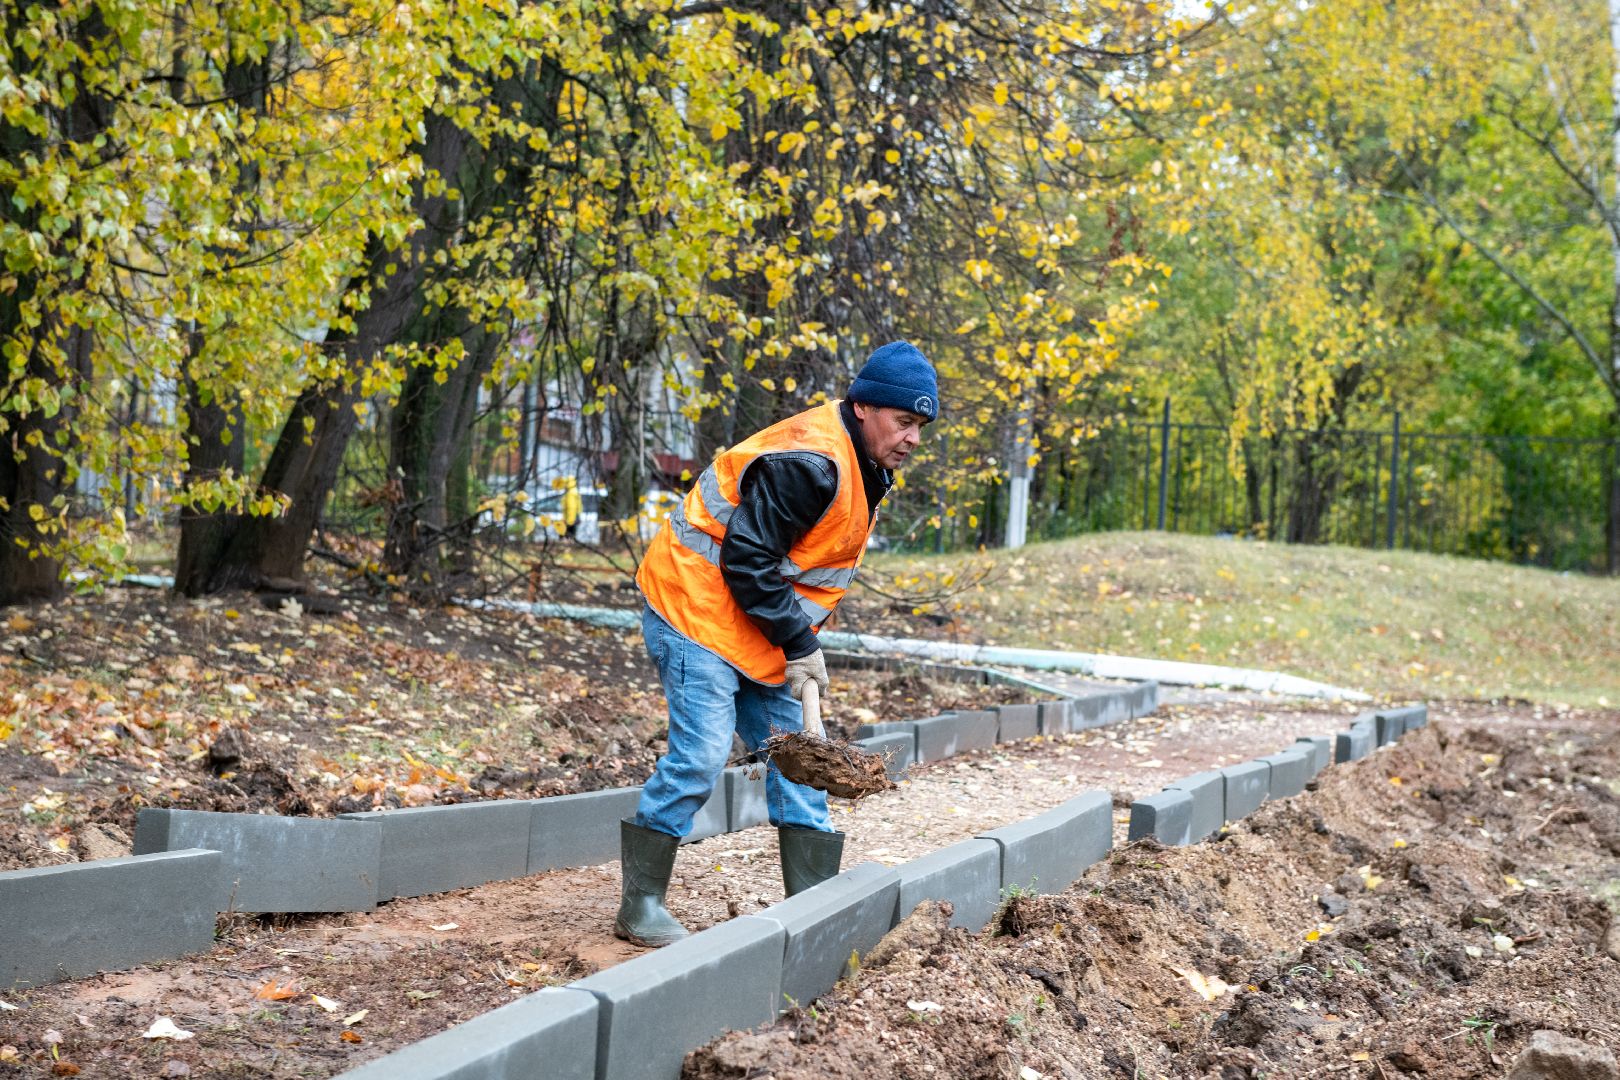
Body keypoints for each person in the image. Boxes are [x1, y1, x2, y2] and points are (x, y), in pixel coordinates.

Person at [617, 340, 940, 946]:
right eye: (904, 422)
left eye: (920, 426)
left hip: (752, 627)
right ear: (865, 408)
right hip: (696, 611)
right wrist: (798, 640)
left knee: (802, 762)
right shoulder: (812, 464)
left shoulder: (864, 464)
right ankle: (641, 904)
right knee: (702, 755)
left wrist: (792, 641)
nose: (913, 438)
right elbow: (747, 559)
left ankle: (812, 908)